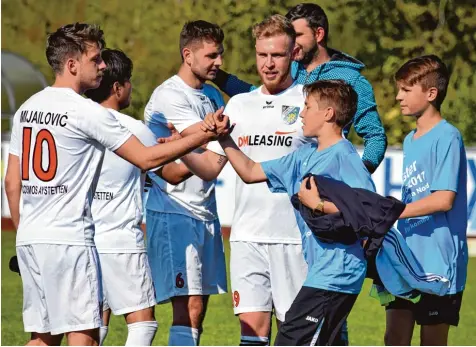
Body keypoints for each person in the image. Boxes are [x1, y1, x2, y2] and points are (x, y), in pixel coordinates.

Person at [3, 22, 230, 346]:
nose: (102, 66)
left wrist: (25, 230)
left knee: (43, 339)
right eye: (95, 59)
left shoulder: (28, 107)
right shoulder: (86, 112)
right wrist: (206, 135)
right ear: (72, 65)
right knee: (86, 338)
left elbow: (13, 183)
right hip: (70, 240)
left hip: (30, 239)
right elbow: (148, 159)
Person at [170, 15, 310, 346]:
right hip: (248, 239)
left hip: (295, 239)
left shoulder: (310, 102)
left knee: (296, 339)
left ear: (293, 54)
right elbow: (210, 168)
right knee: (252, 338)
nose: (269, 64)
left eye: (277, 55)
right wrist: (180, 146)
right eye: (263, 55)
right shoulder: (240, 105)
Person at [203, 79, 374, 345]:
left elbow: (367, 211)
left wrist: (316, 203)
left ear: (328, 114)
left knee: (292, 339)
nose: (301, 113)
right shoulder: (302, 157)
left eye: (307, 106)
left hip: (338, 273)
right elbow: (249, 172)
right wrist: (224, 138)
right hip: (320, 272)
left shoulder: (345, 157)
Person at [213, 3, 387, 174]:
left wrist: (357, 174)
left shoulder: (351, 79)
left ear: (318, 34)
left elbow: (375, 137)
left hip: (319, 180)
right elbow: (256, 96)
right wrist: (216, 75)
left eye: (296, 35)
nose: (291, 43)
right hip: (273, 174)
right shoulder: (290, 67)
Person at [143, 20, 228, 346]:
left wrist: (207, 140)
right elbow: (182, 165)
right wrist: (210, 138)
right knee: (186, 307)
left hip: (204, 211)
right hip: (173, 211)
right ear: (187, 54)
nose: (218, 62)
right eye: (211, 56)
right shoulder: (168, 96)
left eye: (220, 54)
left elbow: (209, 148)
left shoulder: (210, 94)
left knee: (198, 308)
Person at [383, 55, 468, 346]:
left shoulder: (448, 136)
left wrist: (394, 211)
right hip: (406, 257)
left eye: (406, 90)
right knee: (394, 337)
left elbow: (444, 199)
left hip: (438, 262)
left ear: (431, 93)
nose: (398, 96)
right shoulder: (409, 139)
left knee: (431, 341)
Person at [84, 49, 158, 346]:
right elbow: (174, 174)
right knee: (143, 323)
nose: (131, 88)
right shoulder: (136, 130)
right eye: (129, 81)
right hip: (120, 240)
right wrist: (202, 142)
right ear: (117, 87)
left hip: (85, 237)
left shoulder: (79, 123)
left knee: (93, 322)